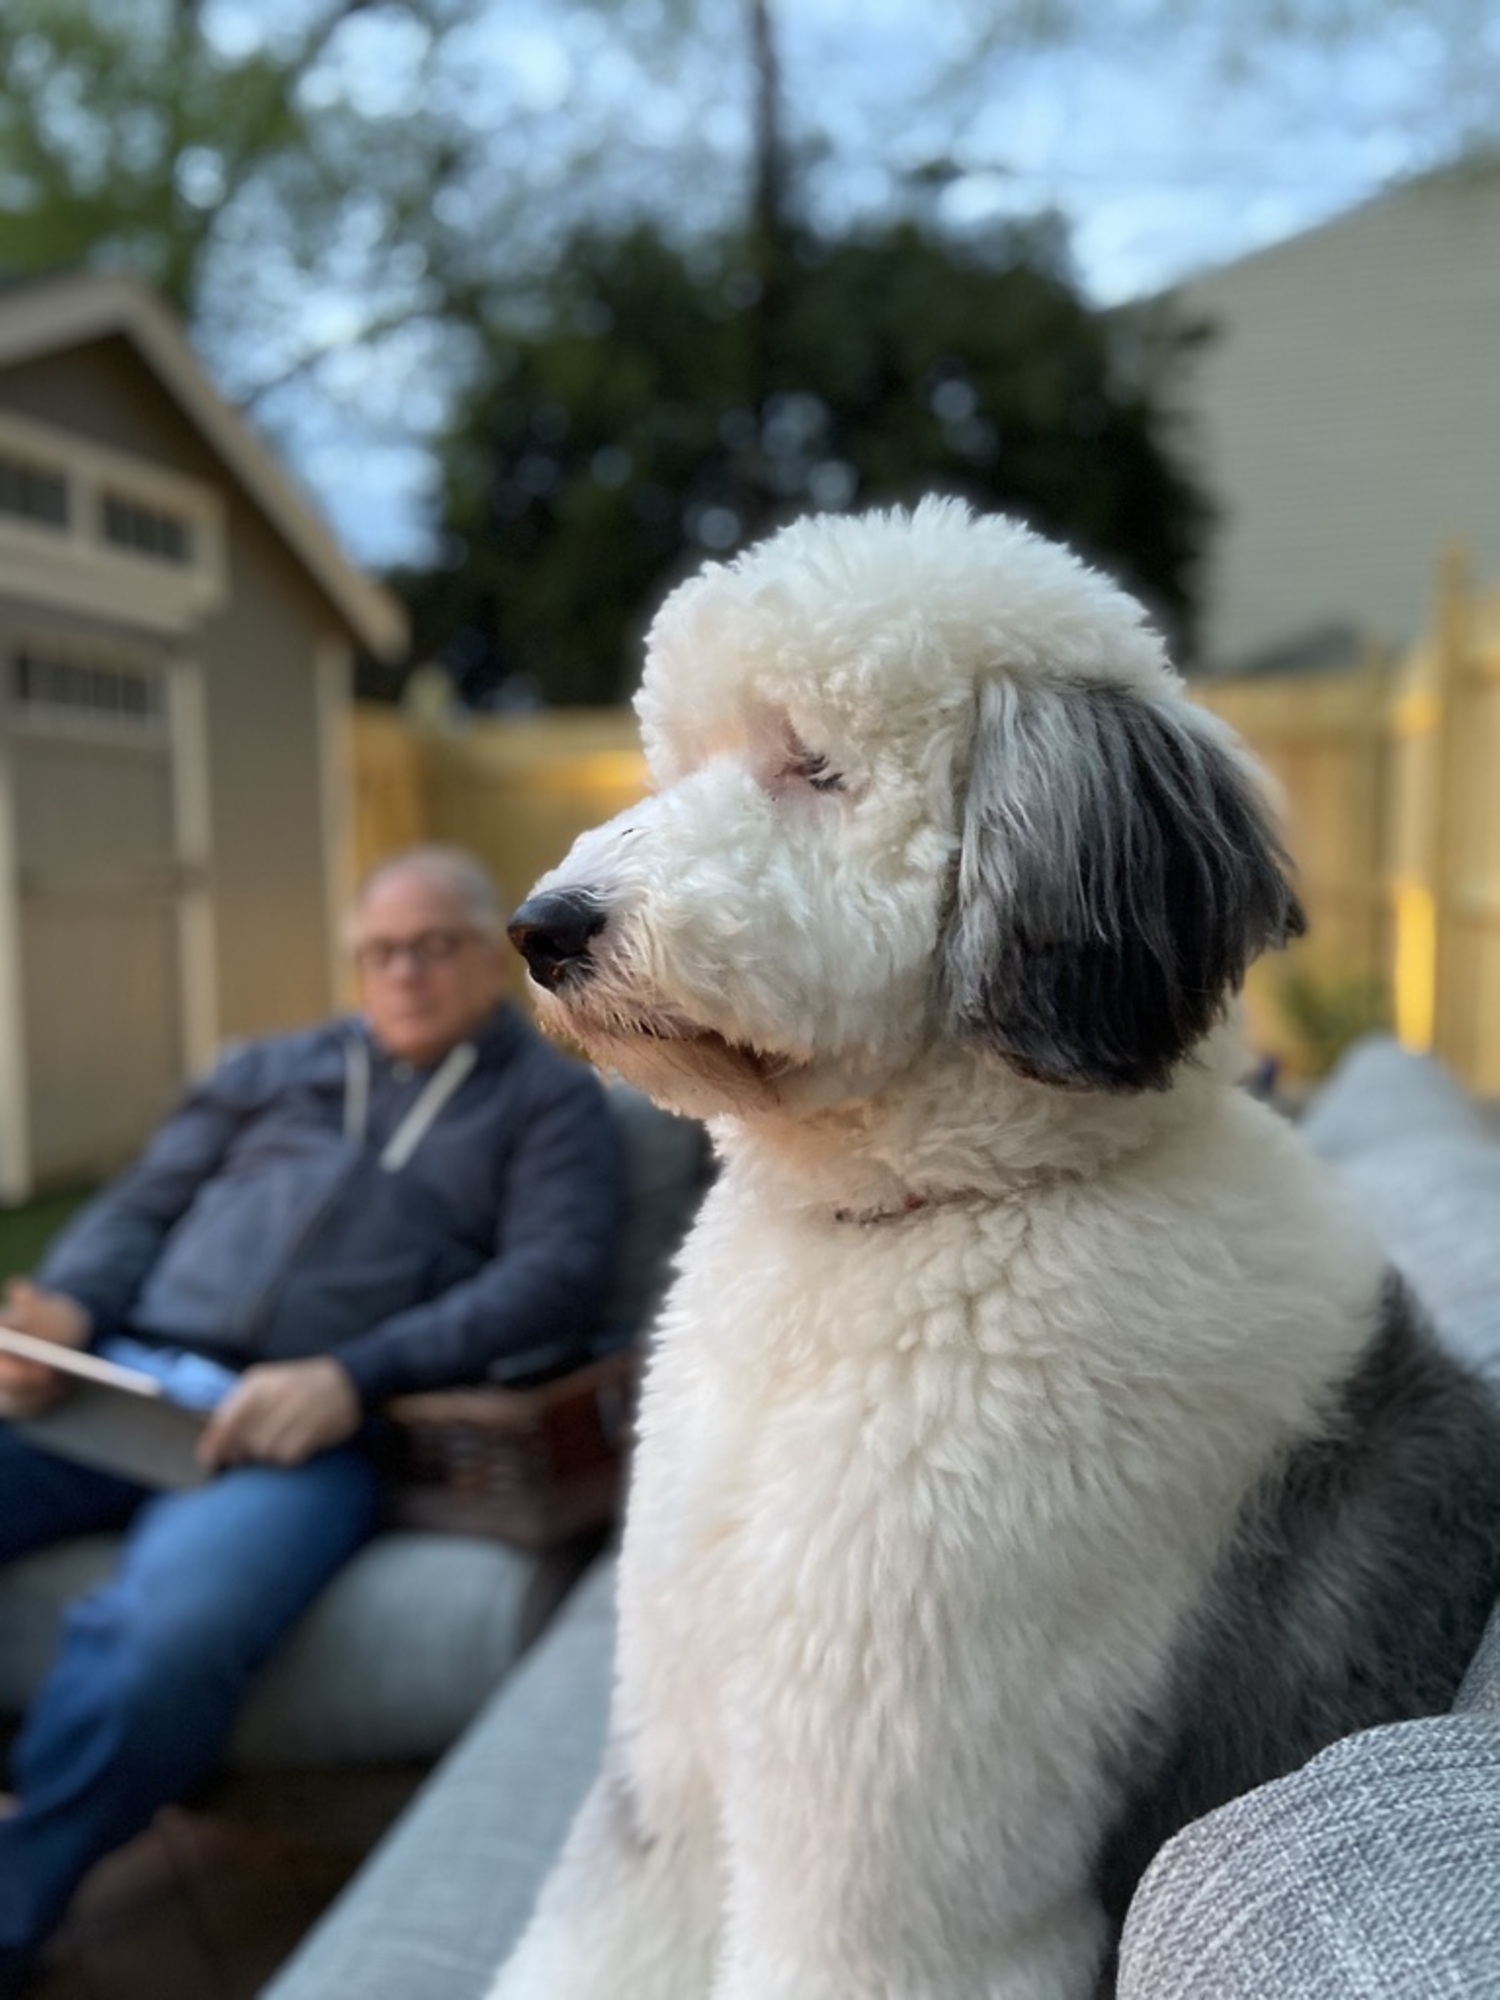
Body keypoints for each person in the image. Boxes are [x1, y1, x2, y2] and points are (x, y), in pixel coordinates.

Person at [0, 846, 621, 1990]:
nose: (406, 970)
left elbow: (555, 1273)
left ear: (486, 952)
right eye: (382, 950)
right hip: (122, 1378)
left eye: (435, 944)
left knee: (161, 1643)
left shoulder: (547, 1100)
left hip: (300, 1432)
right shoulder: (276, 1068)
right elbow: (141, 1200)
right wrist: (68, 1307)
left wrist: (350, 1373)